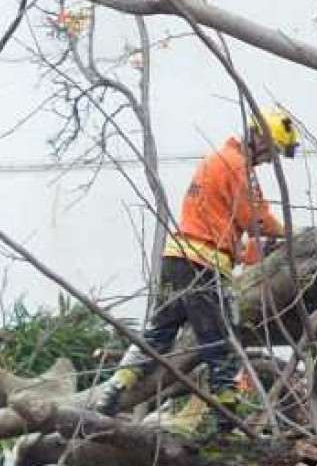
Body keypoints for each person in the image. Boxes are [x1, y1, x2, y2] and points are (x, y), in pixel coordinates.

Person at [92, 106, 300, 432]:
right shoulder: (238, 167)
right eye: (272, 150)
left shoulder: (216, 160)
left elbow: (224, 229)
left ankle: (116, 385)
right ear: (259, 136)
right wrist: (291, 234)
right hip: (203, 265)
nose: (271, 159)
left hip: (177, 258)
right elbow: (256, 219)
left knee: (158, 332)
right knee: (218, 342)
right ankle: (227, 422)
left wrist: (253, 253)